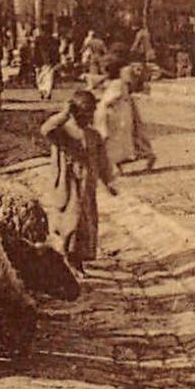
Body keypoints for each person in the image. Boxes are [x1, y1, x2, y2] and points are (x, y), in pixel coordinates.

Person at [41, 89, 115, 267]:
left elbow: (102, 161)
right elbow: (46, 129)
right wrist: (63, 114)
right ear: (76, 111)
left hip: (87, 187)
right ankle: (68, 260)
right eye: (86, 111)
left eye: (92, 111)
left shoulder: (93, 135)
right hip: (68, 185)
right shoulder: (62, 132)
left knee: (86, 225)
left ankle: (78, 261)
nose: (90, 115)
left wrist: (108, 181)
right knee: (70, 224)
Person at [98, 58, 156, 175]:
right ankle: (120, 166)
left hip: (118, 114)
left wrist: (103, 103)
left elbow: (112, 98)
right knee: (128, 138)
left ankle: (118, 166)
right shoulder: (120, 82)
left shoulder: (117, 83)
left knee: (116, 140)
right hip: (123, 112)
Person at [34, 21, 60, 101]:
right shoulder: (54, 40)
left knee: (40, 77)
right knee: (49, 77)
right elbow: (56, 51)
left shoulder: (38, 39)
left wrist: (35, 61)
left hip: (40, 61)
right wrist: (56, 60)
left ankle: (42, 91)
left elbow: (36, 51)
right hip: (49, 61)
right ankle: (47, 92)